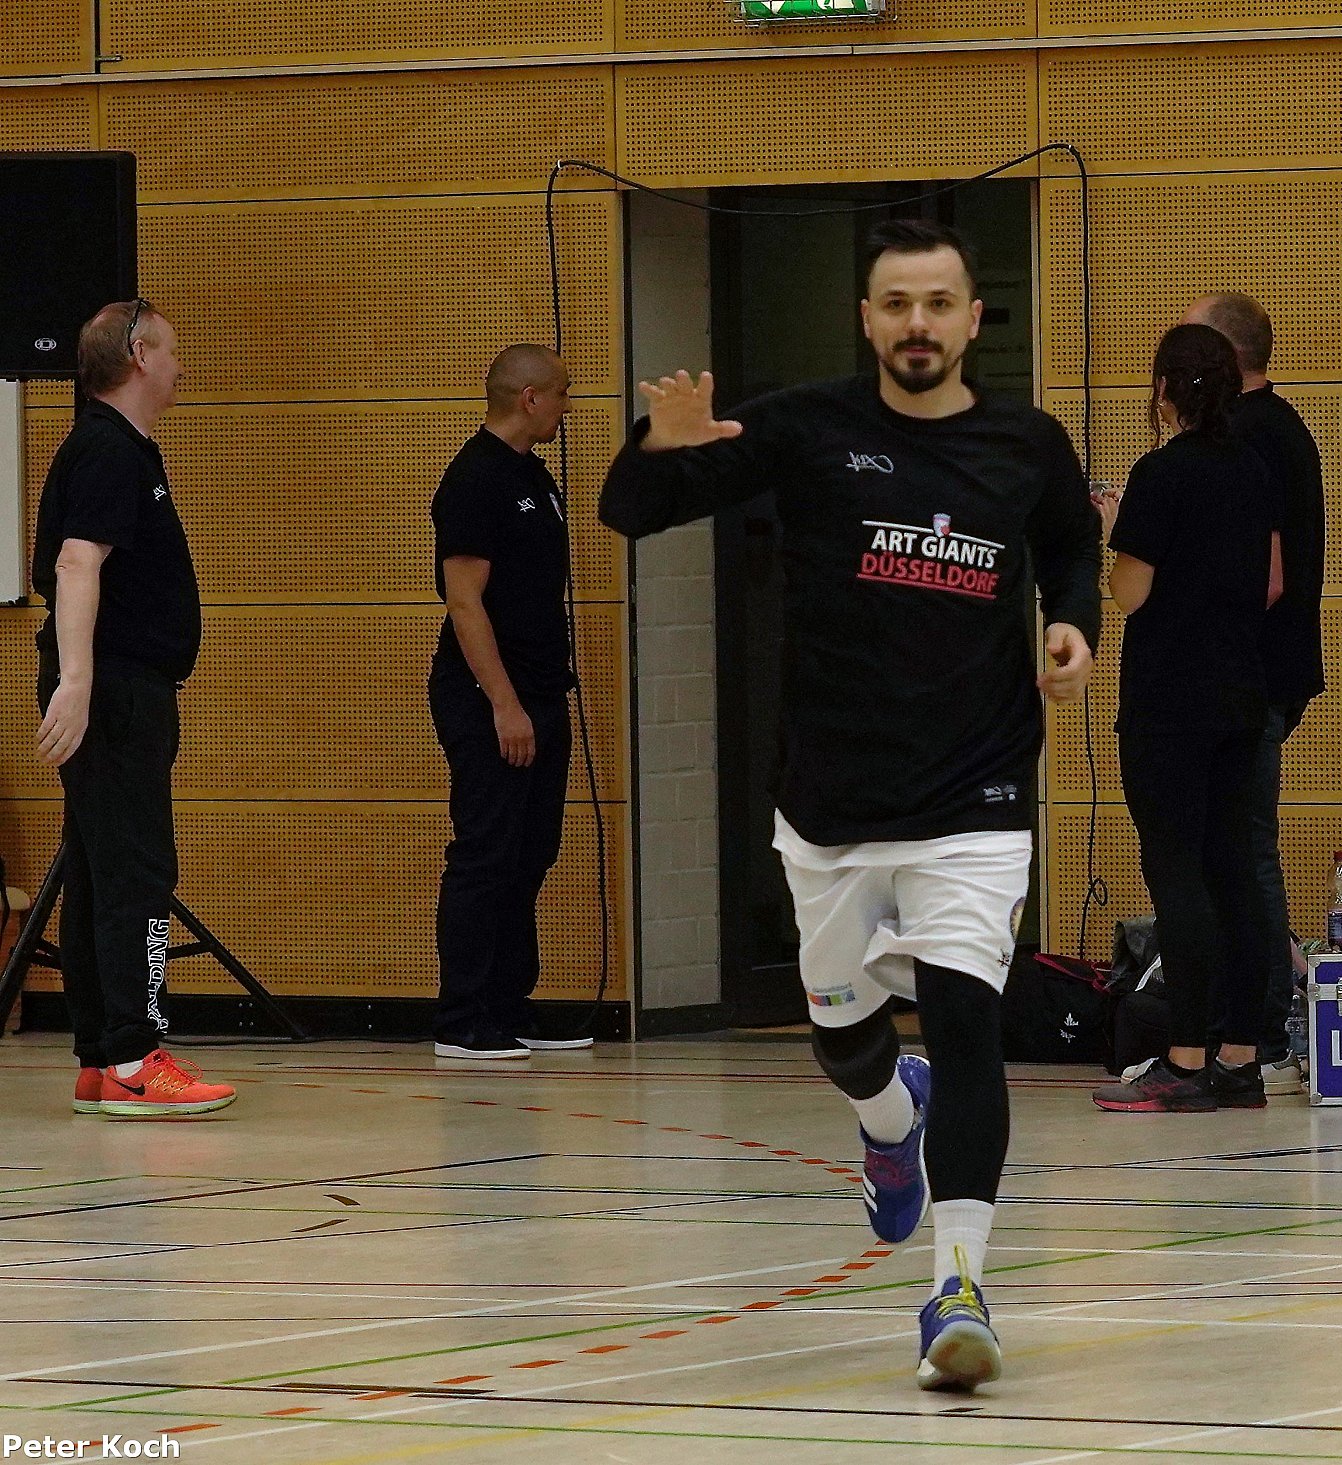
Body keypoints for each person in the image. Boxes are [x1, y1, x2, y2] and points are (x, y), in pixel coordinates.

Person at [599, 219, 1101, 1390]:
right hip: (829, 798)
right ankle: (886, 1120)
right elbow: (630, 509)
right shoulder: (805, 427)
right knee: (841, 1035)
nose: (918, 324)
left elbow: (1071, 543)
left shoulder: (1026, 442)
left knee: (966, 1020)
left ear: (974, 319)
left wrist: (1072, 622)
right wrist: (657, 444)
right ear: (867, 320)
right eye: (897, 304)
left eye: (939, 302)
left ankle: (957, 1286)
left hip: (976, 793)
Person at [34, 299, 235, 1118]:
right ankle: (134, 1056)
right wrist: (78, 680)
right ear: (141, 352)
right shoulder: (108, 449)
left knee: (96, 869)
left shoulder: (119, 448)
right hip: (116, 690)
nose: (181, 368)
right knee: (139, 872)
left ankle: (100, 1056)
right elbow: (76, 563)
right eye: (173, 351)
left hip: (119, 686)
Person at [1089, 323, 1282, 1114]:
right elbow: (1268, 581)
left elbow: (1130, 593)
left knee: (1176, 872)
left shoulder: (1160, 473)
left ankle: (1185, 1056)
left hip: (1170, 701)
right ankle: (1240, 1058)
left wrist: (1114, 531)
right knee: (1234, 871)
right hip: (1242, 693)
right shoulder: (1254, 467)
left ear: (1165, 389)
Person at [430, 345, 594, 1059]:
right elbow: (464, 601)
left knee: (532, 851)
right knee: (487, 850)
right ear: (529, 397)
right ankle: (462, 1018)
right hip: (490, 697)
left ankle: (508, 1004)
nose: (567, 406)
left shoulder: (535, 474)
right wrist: (503, 702)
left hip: (541, 689)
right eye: (561, 392)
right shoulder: (475, 478)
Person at [1182, 293, 1326, 1095]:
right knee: (1237, 847)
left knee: (1244, 850)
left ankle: (1263, 1030)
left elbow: (1261, 573)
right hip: (1264, 669)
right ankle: (1249, 1022)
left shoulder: (1251, 435)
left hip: (1252, 673)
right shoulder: (1275, 426)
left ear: (1223, 355)